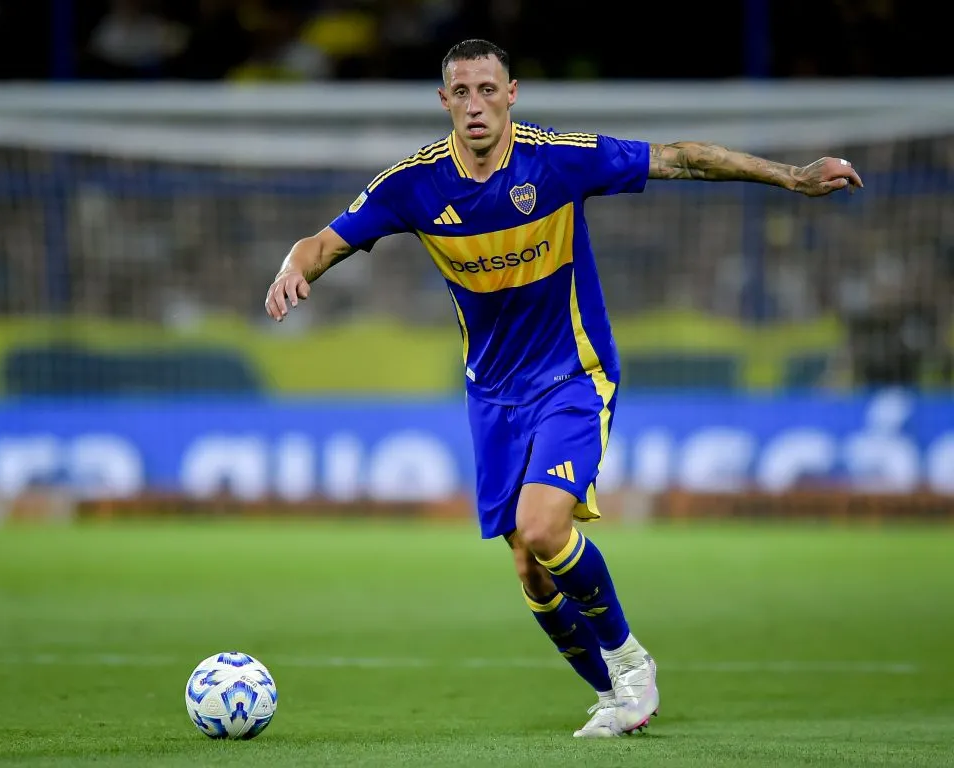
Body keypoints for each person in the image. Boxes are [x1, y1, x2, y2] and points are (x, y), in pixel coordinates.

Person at [264, 38, 863, 738]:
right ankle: (614, 695)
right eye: (462, 92)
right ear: (444, 102)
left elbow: (679, 157)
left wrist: (790, 176)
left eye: (489, 89)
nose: (476, 105)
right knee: (528, 566)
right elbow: (321, 242)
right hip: (492, 394)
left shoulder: (557, 158)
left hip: (573, 374)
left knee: (543, 526)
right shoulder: (414, 185)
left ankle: (632, 663)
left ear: (512, 93)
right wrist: (292, 270)